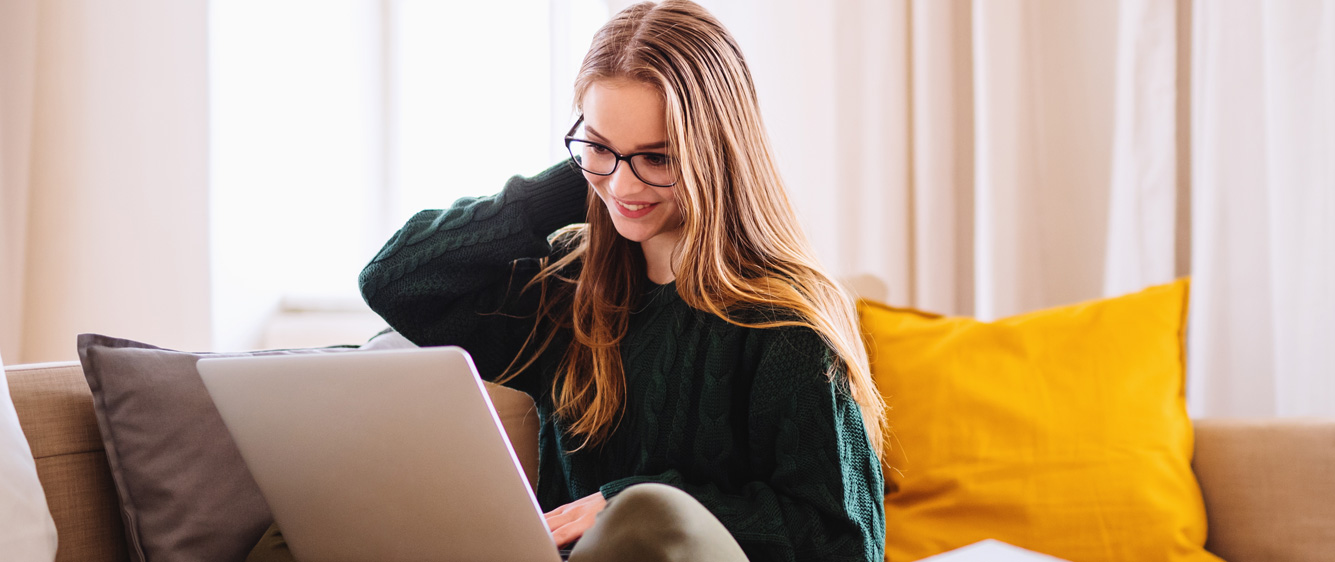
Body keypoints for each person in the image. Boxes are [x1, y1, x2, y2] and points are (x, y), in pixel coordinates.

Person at [246, 2, 885, 561]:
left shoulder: (786, 322)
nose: (626, 186)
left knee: (648, 523)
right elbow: (396, 279)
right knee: (303, 529)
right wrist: (572, 185)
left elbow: (845, 542)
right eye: (600, 147)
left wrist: (624, 504)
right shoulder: (568, 290)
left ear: (716, 153)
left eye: (657, 157)